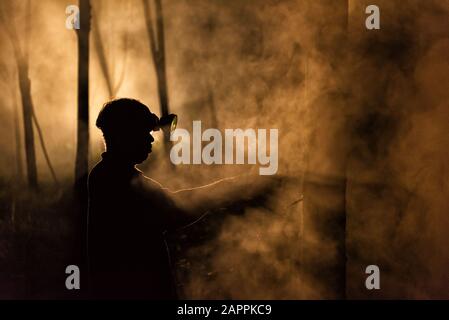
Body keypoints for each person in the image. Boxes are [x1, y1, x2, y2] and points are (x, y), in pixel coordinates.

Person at [87, 98, 268, 299]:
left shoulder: (112, 175)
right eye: (144, 133)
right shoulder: (115, 178)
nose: (151, 140)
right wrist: (236, 186)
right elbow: (177, 210)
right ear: (125, 135)